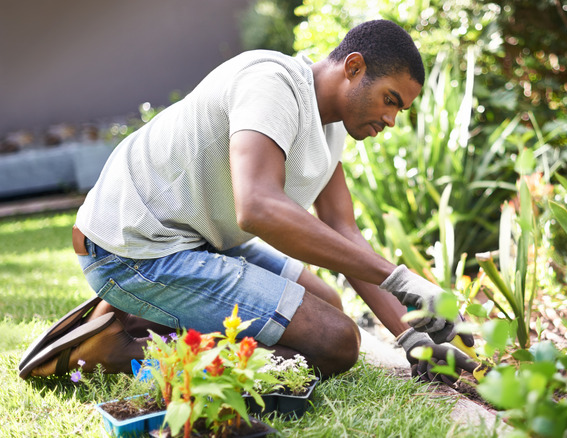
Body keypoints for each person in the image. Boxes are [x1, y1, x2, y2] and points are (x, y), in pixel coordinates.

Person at [18, 19, 475, 383]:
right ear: (353, 67)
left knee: (327, 302)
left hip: (197, 241)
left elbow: (344, 231)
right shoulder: (272, 83)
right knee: (336, 342)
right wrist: (400, 279)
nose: (392, 119)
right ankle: (122, 349)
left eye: (400, 109)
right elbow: (257, 207)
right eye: (389, 99)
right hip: (134, 249)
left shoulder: (331, 126)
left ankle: (140, 317)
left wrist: (412, 335)